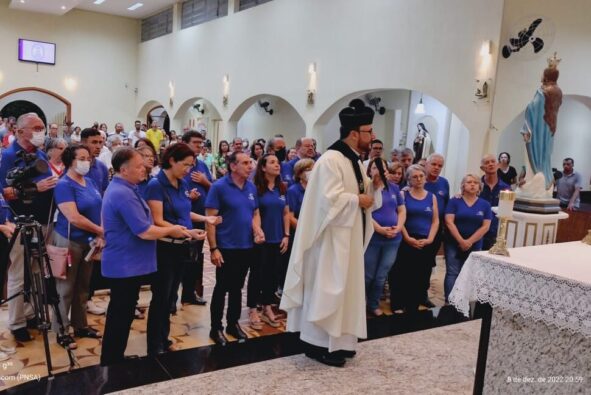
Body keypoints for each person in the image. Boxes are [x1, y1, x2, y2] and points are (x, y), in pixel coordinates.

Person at [280, 99, 381, 367]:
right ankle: (319, 345)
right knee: (327, 291)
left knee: (346, 291)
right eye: (368, 131)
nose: (372, 137)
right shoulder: (330, 160)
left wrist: (374, 188)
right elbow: (328, 199)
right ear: (354, 133)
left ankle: (342, 343)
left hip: (348, 237)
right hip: (329, 241)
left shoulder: (355, 162)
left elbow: (363, 193)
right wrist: (356, 200)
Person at [100, 148, 191, 366]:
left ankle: (115, 357)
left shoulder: (128, 188)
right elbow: (144, 230)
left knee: (122, 313)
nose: (145, 168)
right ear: (124, 169)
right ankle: (111, 361)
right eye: (139, 165)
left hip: (130, 263)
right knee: (120, 315)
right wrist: (172, 230)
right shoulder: (122, 193)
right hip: (125, 264)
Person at [144, 143, 211, 355]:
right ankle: (154, 344)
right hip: (164, 248)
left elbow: (185, 212)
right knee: (161, 297)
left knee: (171, 297)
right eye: (185, 164)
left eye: (191, 165)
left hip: (181, 246)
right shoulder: (156, 185)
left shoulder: (181, 183)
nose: (188, 170)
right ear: (172, 160)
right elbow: (157, 219)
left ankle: (163, 338)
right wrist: (183, 231)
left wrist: (203, 219)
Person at [0, 113, 57, 342]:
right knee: (18, 273)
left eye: (42, 127)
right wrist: (37, 187)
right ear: (20, 131)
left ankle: (33, 313)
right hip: (17, 221)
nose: (41, 132)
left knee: (37, 270)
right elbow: (4, 193)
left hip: (42, 220)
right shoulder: (7, 156)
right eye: (36, 128)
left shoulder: (41, 154)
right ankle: (16, 322)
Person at [205, 151, 263, 346]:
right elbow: (210, 220)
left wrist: (257, 229)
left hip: (246, 245)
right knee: (222, 287)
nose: (250, 166)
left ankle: (233, 323)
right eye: (245, 163)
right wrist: (214, 248)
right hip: (226, 246)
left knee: (238, 287)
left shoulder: (251, 187)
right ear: (233, 166)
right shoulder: (219, 187)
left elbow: (255, 212)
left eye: (250, 163)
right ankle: (216, 327)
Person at [51, 145, 104, 350]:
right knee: (65, 288)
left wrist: (100, 233)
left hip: (89, 242)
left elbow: (99, 207)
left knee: (83, 286)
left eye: (88, 158)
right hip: (69, 240)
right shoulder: (64, 184)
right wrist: (99, 230)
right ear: (70, 161)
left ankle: (80, 325)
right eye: (81, 158)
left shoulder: (89, 181)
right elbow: (73, 217)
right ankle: (62, 330)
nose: (86, 161)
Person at [389, 164, 438, 314]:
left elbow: (435, 220)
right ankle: (397, 303)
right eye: (415, 177)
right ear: (409, 179)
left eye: (421, 176)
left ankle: (413, 305)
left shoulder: (432, 197)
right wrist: (408, 237)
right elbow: (400, 217)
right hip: (406, 239)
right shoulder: (404, 195)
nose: (418, 179)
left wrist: (430, 239)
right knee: (402, 273)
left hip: (425, 241)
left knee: (421, 275)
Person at [248, 154, 290, 330]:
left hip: (277, 237)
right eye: (272, 162)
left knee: (273, 274)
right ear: (263, 167)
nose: (277, 165)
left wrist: (286, 235)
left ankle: (267, 306)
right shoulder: (256, 188)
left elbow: (286, 212)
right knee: (257, 273)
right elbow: (252, 213)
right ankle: (252, 308)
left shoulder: (281, 187)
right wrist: (257, 232)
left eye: (278, 162)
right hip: (260, 239)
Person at [364, 158, 405, 317]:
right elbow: (365, 213)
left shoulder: (394, 188)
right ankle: (361, 303)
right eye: (375, 167)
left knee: (381, 275)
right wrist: (380, 229)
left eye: (382, 167)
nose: (379, 171)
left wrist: (399, 227)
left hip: (393, 239)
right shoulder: (367, 188)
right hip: (373, 237)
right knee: (368, 275)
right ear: (369, 170)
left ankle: (373, 304)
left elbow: (401, 210)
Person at [444, 174, 491, 302]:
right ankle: (450, 301)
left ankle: (464, 300)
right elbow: (449, 221)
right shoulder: (454, 201)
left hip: (475, 244)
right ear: (463, 186)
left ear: (479, 187)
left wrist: (469, 241)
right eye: (469, 182)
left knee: (469, 273)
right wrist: (461, 240)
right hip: (453, 243)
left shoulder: (485, 204)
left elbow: (485, 226)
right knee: (452, 272)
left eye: (475, 182)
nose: (472, 184)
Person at [180, 131, 213, 306]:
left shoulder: (201, 165)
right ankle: (171, 297)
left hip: (199, 217)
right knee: (180, 258)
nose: (200, 146)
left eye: (201, 143)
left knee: (195, 258)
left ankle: (189, 292)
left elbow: (213, 188)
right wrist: (187, 196)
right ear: (185, 144)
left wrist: (204, 181)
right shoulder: (178, 165)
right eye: (195, 142)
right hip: (181, 219)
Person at [520, 54, 563, 191]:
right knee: (545, 154)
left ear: (546, 76)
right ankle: (545, 178)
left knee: (535, 153)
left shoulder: (543, 91)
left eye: (542, 74)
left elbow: (533, 108)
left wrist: (526, 127)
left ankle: (535, 178)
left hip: (537, 129)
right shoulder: (558, 91)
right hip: (549, 128)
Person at [283, 158, 314, 295]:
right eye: (308, 169)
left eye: (313, 169)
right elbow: (289, 216)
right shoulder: (294, 191)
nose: (311, 172)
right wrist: (304, 229)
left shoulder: (316, 189)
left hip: (314, 233)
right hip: (299, 233)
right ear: (300, 173)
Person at [422, 153, 449, 308]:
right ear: (427, 163)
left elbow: (446, 204)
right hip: (416, 229)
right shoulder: (418, 179)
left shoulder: (444, 183)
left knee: (428, 263)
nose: (436, 168)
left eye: (440, 166)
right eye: (434, 164)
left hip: (436, 230)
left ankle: (423, 294)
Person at [479, 154, 510, 250]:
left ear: (498, 165)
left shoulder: (505, 188)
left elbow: (507, 211)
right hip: (478, 230)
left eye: (493, 162)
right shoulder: (477, 185)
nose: (491, 164)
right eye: (487, 163)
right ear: (482, 168)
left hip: (496, 231)